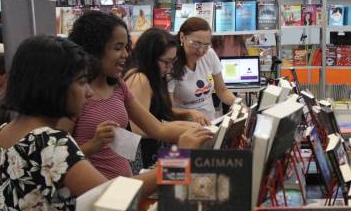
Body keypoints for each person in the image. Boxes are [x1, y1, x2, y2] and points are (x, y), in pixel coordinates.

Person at [0, 35, 208, 211]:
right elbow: (115, 197)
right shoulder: (51, 142)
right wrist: (180, 158)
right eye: (81, 82)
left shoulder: (1, 133)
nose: (89, 92)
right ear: (54, 84)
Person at [63, 10, 205, 179]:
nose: (125, 54)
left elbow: (157, 128)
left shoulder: (118, 85)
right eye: (118, 48)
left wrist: (201, 133)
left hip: (125, 184)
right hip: (103, 190)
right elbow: (60, 160)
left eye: (126, 47)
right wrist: (92, 146)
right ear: (95, 49)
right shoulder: (73, 95)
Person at [125, 28, 209, 168]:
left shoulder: (156, 76)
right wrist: (182, 129)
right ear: (150, 58)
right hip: (142, 156)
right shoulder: (139, 79)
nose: (170, 67)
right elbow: (139, 129)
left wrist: (186, 118)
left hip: (152, 149)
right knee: (172, 177)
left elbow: (159, 115)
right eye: (166, 62)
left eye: (173, 61)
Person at [170, 17, 238, 122]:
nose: (201, 50)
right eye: (196, 44)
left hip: (210, 122)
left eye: (206, 45)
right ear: (182, 37)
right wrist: (189, 113)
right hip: (184, 126)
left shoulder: (209, 54)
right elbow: (168, 109)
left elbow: (222, 90)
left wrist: (238, 104)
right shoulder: (170, 63)